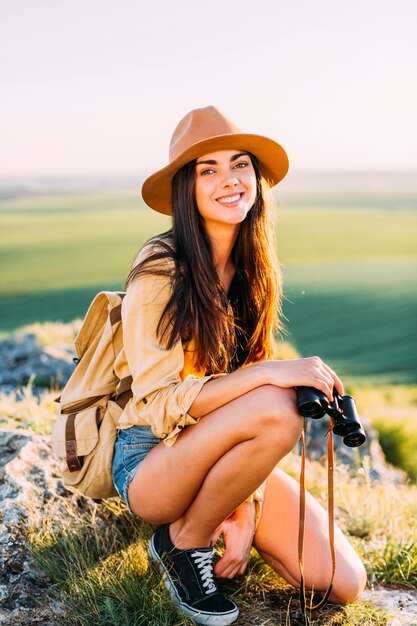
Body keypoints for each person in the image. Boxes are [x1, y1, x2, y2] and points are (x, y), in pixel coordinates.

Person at [111, 105, 367, 625]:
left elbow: (248, 400)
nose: (229, 180)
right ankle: (183, 541)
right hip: (152, 461)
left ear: (256, 178)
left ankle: (210, 514)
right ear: (186, 188)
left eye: (240, 165)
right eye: (208, 169)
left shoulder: (253, 268)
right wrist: (268, 373)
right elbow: (158, 404)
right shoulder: (160, 268)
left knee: (344, 582)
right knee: (277, 406)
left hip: (225, 449)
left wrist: (245, 505)